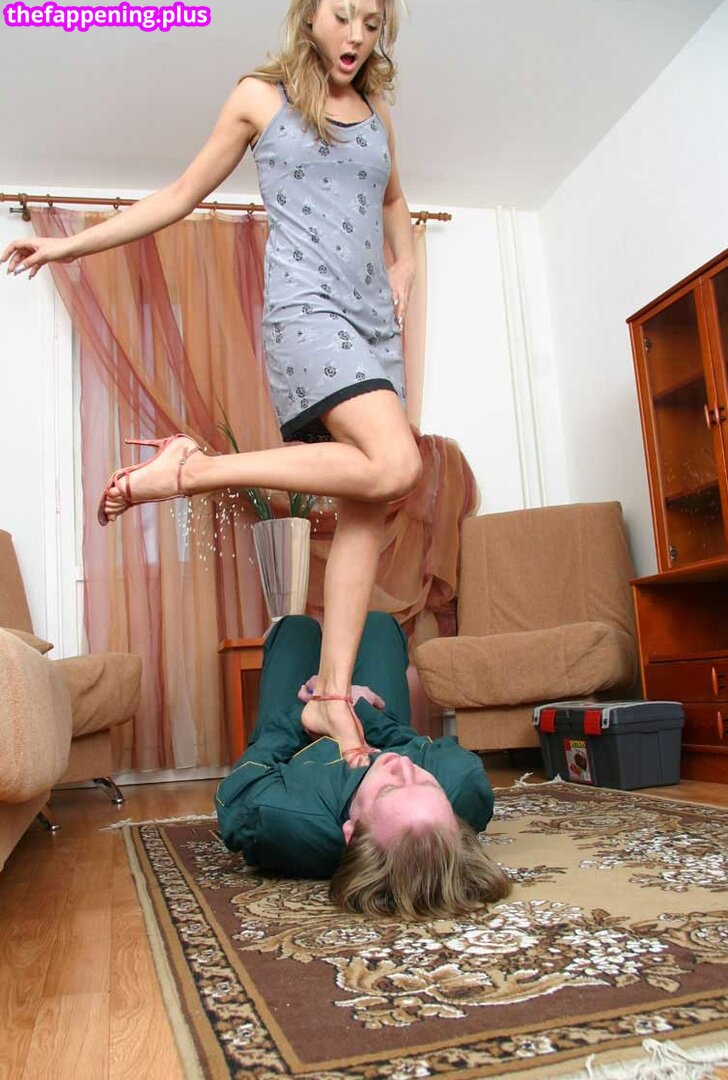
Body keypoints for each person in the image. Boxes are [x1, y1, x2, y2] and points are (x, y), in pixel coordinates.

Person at [1, 0, 423, 759]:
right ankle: (192, 471)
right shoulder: (260, 98)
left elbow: (393, 199)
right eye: (342, 16)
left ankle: (331, 700)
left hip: (373, 326)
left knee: (369, 504)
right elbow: (178, 196)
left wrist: (407, 260)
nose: (357, 36)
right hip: (306, 313)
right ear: (309, 16)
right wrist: (67, 248)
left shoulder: (376, 112)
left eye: (371, 22)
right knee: (397, 463)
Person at [216, 612, 512, 918]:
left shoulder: (284, 814)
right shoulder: (462, 785)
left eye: (389, 789)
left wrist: (308, 715)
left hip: (298, 736)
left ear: (351, 831)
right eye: (426, 782)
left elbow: (237, 791)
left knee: (294, 629)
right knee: (379, 624)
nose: (402, 765)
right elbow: (412, 745)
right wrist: (358, 706)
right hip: (372, 725)